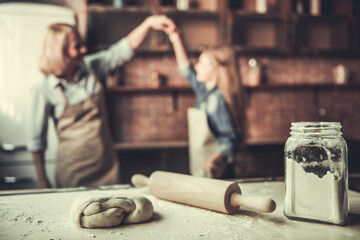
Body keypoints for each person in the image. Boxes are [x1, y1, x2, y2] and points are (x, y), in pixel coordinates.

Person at [28, 15, 176, 188]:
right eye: (77, 46)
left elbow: (121, 50)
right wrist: (42, 179)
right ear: (60, 52)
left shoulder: (90, 67)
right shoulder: (43, 89)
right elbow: (37, 141)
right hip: (73, 171)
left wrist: (148, 23)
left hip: (106, 164)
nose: (84, 49)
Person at [166, 29, 245, 179]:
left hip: (217, 172)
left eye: (202, 64)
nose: (197, 67)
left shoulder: (216, 100)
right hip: (204, 170)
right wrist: (175, 39)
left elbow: (229, 139)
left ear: (217, 70)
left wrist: (214, 159)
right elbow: (186, 70)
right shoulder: (205, 91)